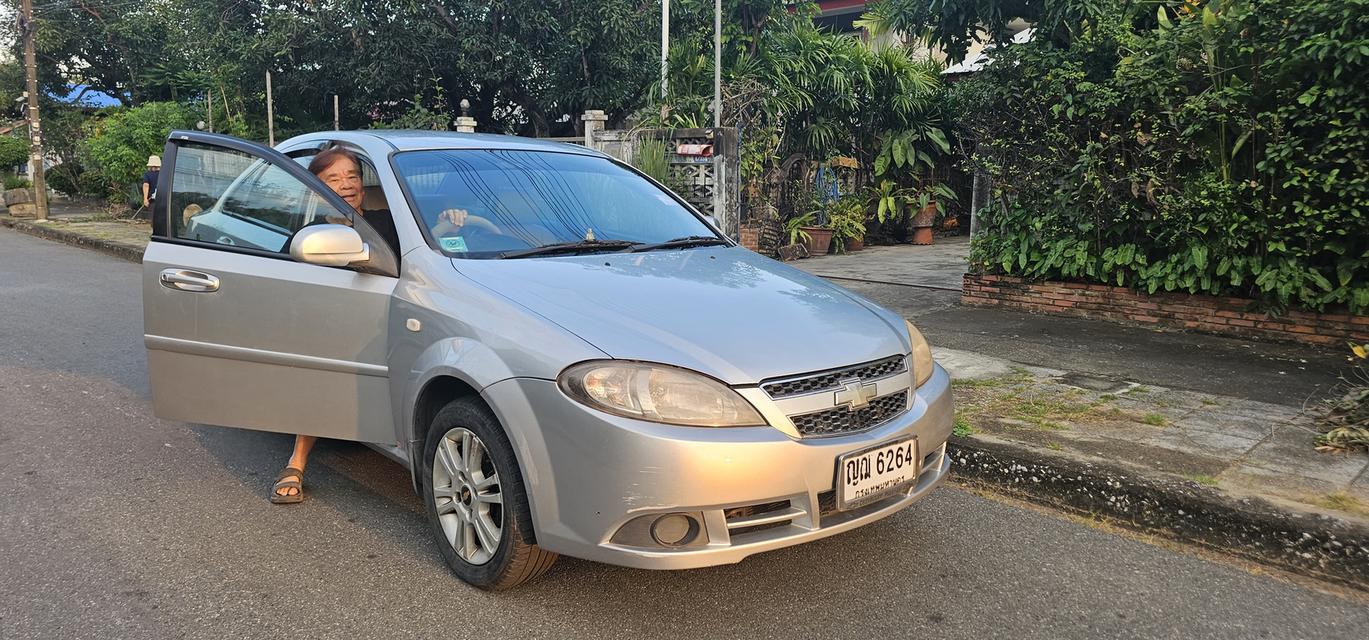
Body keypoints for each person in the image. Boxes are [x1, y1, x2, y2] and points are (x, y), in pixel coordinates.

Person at [270, 146, 399, 503]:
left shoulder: (389, 222)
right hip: (332, 325)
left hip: (384, 317)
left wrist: (451, 220)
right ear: (317, 186)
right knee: (317, 369)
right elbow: (282, 280)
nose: (346, 185)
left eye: (352, 176)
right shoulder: (309, 232)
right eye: (334, 178)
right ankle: (297, 460)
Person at [140, 155, 161, 220]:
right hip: (163, 199)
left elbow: (146, 185)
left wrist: (145, 199)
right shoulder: (164, 173)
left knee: (154, 219)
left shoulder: (148, 174)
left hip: (153, 201)